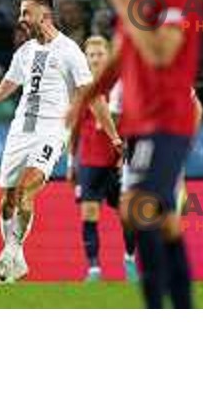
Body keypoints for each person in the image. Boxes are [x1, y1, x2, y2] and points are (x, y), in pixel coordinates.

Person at [67, 0, 203, 309]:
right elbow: (122, 56)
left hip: (169, 119)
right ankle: (181, 306)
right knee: (162, 219)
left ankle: (155, 307)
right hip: (139, 124)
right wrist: (86, 97)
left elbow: (162, 53)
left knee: (138, 208)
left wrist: (126, 7)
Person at [0, 0, 121, 283]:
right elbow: (2, 90)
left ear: (44, 15)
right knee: (7, 201)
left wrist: (113, 136)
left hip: (51, 131)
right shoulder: (24, 53)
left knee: (26, 188)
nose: (21, 18)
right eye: (21, 12)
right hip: (19, 131)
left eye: (26, 13)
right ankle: (18, 261)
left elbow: (93, 97)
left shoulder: (70, 50)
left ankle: (7, 256)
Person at [66, 36, 137, 282]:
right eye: (91, 55)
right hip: (89, 161)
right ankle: (94, 269)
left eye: (99, 54)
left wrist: (126, 155)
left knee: (128, 215)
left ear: (108, 56)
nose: (95, 58)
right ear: (85, 59)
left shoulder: (121, 85)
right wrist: (70, 163)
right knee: (89, 213)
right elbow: (73, 128)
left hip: (119, 160)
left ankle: (129, 260)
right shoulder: (80, 88)